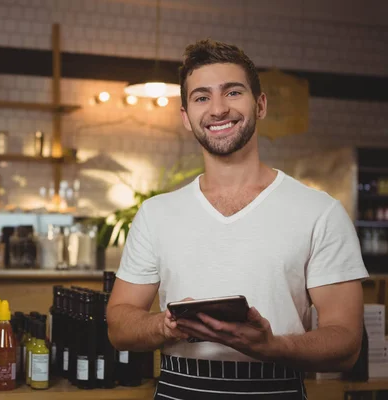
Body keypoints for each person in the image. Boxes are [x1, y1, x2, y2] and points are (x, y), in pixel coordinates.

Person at [107, 39, 369, 399]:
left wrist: (273, 345)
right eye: (201, 97)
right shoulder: (156, 214)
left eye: (232, 92)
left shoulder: (320, 212)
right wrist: (164, 326)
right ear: (185, 116)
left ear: (260, 104)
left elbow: (346, 343)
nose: (218, 109)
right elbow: (119, 324)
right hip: (177, 389)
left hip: (277, 389)